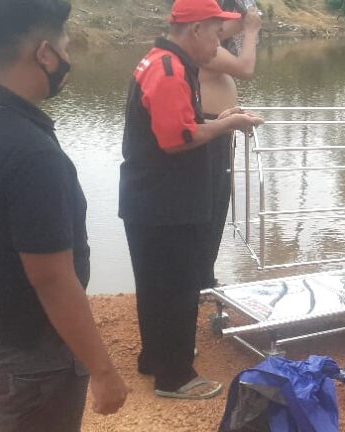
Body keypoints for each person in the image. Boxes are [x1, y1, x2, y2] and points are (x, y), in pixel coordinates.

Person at [0, 0, 129, 432]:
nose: (66, 56)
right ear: (43, 54)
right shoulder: (33, 155)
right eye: (63, 46)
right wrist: (101, 369)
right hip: (31, 348)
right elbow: (52, 279)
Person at [119, 0, 263, 400]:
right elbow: (177, 139)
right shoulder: (168, 70)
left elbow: (178, 123)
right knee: (179, 284)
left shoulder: (163, 61)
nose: (218, 45)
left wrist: (216, 120)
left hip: (151, 197)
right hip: (166, 200)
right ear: (196, 29)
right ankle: (176, 376)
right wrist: (229, 124)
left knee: (156, 284)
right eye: (217, 35)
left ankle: (157, 357)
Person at [199, 0, 262, 289]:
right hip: (208, 135)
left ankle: (203, 276)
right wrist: (250, 29)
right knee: (208, 207)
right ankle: (199, 279)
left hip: (220, 131)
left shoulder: (213, 46)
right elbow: (246, 68)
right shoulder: (204, 51)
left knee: (217, 206)